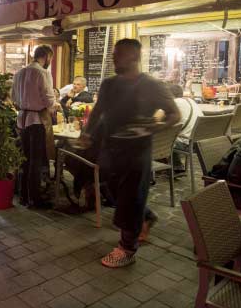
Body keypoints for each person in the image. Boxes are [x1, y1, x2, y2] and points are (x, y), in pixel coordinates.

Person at [80, 39, 179, 268]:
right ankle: (144, 216)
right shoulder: (109, 84)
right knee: (112, 191)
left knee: (131, 195)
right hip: (111, 147)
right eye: (114, 54)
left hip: (138, 150)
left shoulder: (152, 85)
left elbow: (174, 114)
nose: (113, 58)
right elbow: (98, 112)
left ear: (134, 57)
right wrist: (87, 133)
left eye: (119, 54)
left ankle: (127, 248)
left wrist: (153, 127)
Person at [11, 45, 59, 208]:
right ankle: (35, 199)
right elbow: (48, 99)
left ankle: (24, 196)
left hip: (22, 120)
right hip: (37, 120)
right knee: (36, 161)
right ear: (46, 57)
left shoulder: (19, 73)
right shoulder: (42, 72)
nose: (49, 62)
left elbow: (13, 97)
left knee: (25, 159)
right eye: (50, 59)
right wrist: (54, 106)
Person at [169, 83, 203, 173]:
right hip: (198, 143)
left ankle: (175, 166)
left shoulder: (174, 103)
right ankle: (175, 165)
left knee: (163, 139)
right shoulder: (191, 101)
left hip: (186, 144)